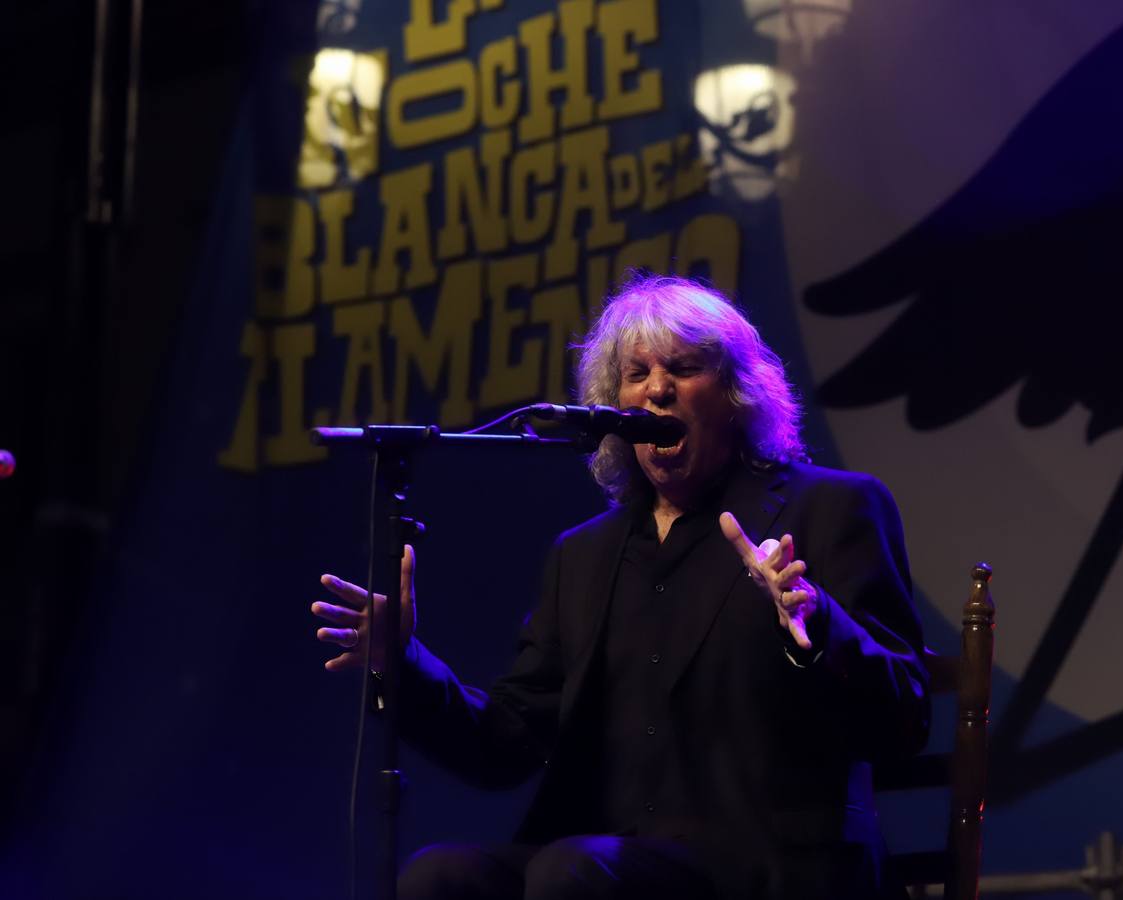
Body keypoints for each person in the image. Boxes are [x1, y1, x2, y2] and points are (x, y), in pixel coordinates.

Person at [311, 275, 930, 899]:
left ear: (736, 394)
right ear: (612, 405)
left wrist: (817, 626)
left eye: (685, 368)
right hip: (605, 857)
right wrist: (404, 663)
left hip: (768, 864)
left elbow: (905, 720)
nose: (657, 389)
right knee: (439, 877)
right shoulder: (583, 555)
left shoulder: (831, 508)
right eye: (637, 375)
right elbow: (507, 744)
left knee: (572, 872)